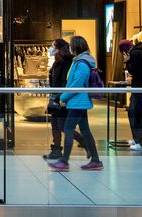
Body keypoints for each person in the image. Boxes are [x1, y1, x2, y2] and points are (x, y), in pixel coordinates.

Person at [48, 36, 103, 172]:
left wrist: (63, 97)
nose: (70, 48)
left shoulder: (82, 63)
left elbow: (77, 84)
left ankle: (64, 161)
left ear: (76, 46)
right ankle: (95, 160)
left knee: (68, 129)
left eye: (71, 45)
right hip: (78, 102)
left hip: (78, 102)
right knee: (85, 130)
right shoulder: (78, 62)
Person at [43, 38, 87, 161]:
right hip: (55, 97)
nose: (51, 48)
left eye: (53, 46)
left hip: (62, 98)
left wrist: (60, 98)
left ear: (59, 48)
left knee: (62, 126)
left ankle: (83, 141)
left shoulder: (67, 63)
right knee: (55, 125)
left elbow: (65, 83)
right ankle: (56, 149)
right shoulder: (57, 62)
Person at [119, 39, 142, 151]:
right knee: (135, 112)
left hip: (141, 89)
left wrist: (127, 61)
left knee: (138, 114)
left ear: (125, 51)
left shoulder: (135, 54)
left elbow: (133, 70)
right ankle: (138, 140)